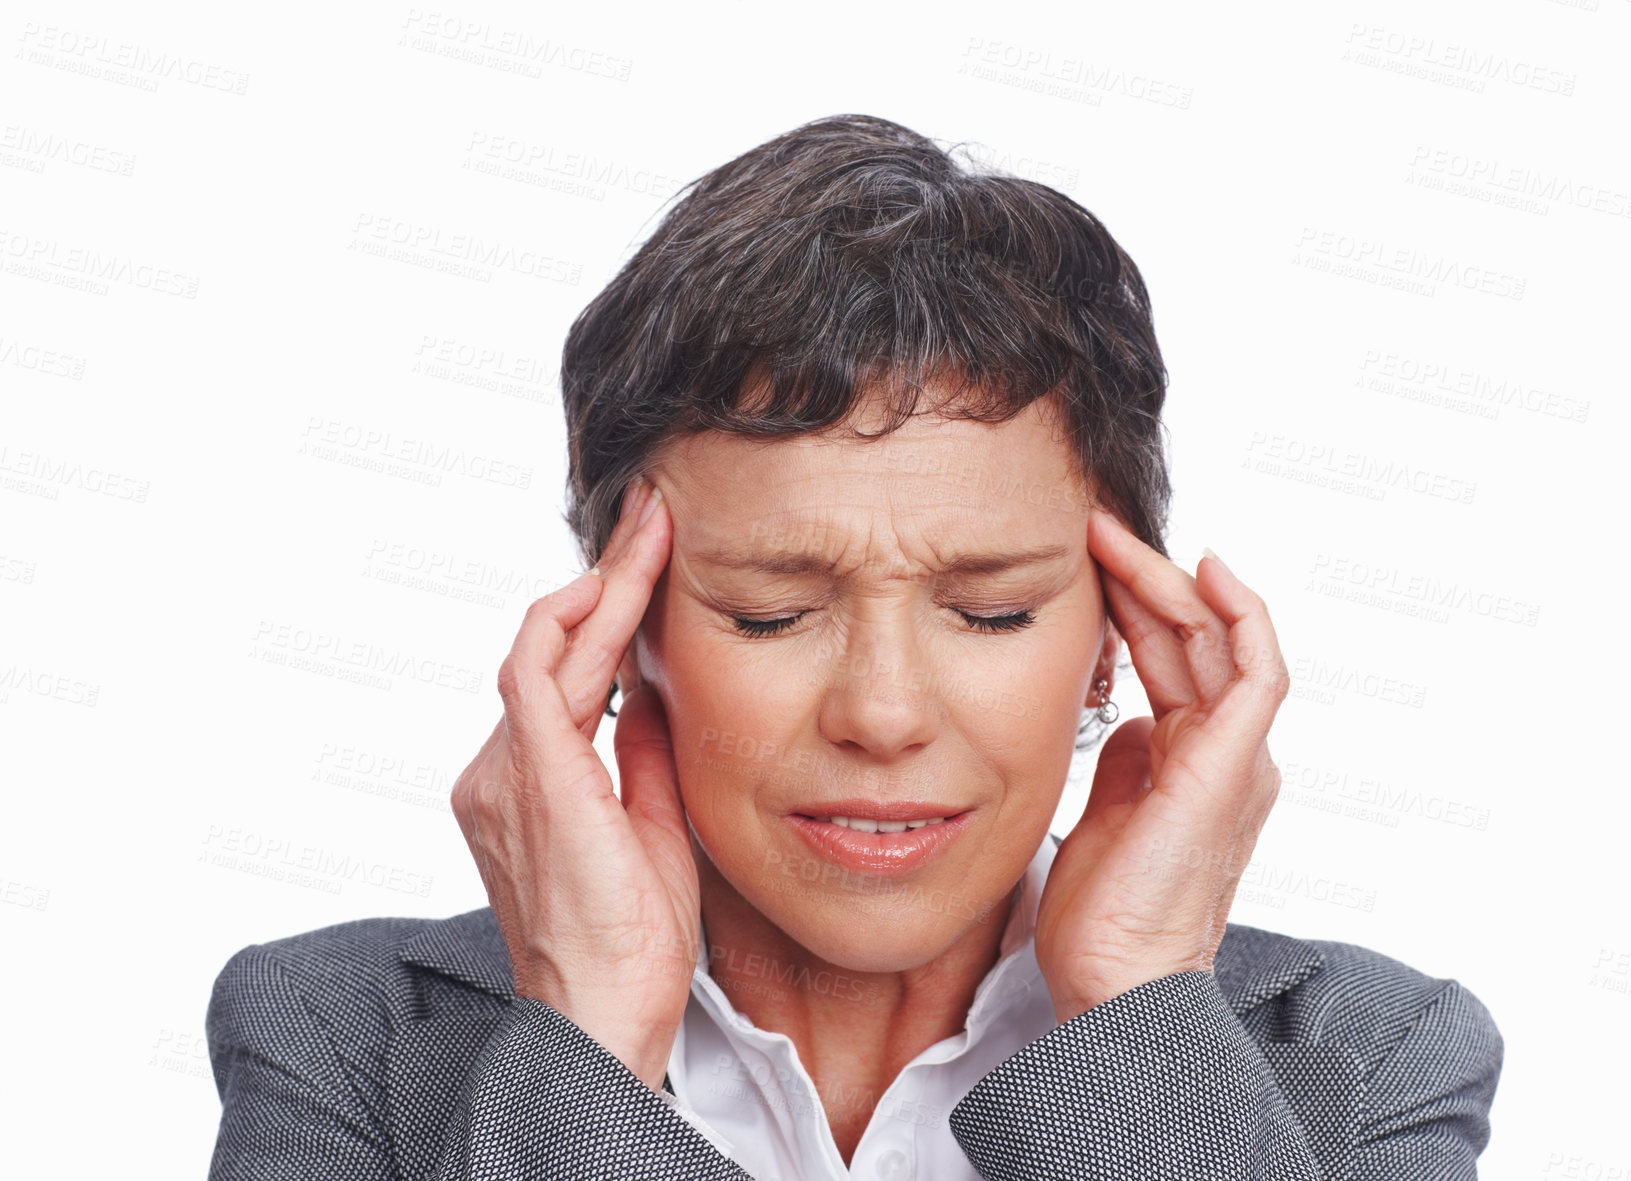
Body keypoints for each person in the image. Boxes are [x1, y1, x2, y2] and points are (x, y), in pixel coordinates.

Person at [204, 114, 1504, 1179]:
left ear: (1117, 639)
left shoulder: (1385, 1055)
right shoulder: (331, 1035)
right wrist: (588, 1033)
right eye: (772, 610)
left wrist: (1140, 1000)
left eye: (991, 610)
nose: (883, 713)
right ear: (622, 631)